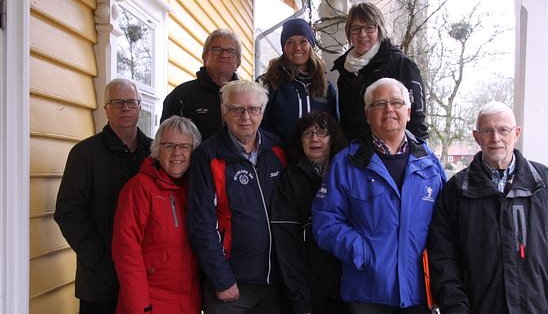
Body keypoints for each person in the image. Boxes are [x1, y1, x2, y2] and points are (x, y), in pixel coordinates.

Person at [427, 101, 548, 314]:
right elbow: (443, 258)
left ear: (516, 133)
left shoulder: (546, 183)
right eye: (487, 131)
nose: (495, 138)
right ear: (476, 136)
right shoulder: (456, 191)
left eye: (503, 130)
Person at [312, 78, 447, 313]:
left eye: (396, 102)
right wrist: (361, 252)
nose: (389, 110)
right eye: (380, 104)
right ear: (367, 113)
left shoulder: (430, 164)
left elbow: (446, 225)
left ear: (408, 110)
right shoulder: (347, 163)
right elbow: (326, 221)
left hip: (419, 290)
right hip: (367, 290)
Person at [186, 80, 287, 314]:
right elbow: (201, 224)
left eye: (253, 109)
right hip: (232, 284)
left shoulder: (277, 150)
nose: (245, 117)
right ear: (224, 111)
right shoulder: (208, 155)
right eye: (236, 109)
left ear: (262, 111)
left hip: (275, 281)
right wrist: (222, 278)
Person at [54, 78, 153, 314]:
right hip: (100, 280)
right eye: (117, 103)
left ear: (140, 107)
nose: (125, 108)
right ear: (105, 107)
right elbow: (68, 213)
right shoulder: (84, 154)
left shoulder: (153, 152)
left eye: (131, 102)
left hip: (146, 275)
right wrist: (101, 258)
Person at [112, 116, 202, 314]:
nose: (177, 153)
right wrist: (141, 308)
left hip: (189, 302)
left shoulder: (196, 190)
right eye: (169, 145)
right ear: (157, 149)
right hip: (151, 301)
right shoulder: (140, 188)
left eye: (185, 147)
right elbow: (127, 253)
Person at [270, 111, 349, 314]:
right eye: (308, 133)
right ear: (300, 140)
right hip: (310, 291)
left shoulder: (347, 175)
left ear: (333, 138)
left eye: (322, 132)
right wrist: (300, 300)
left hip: (348, 290)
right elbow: (287, 245)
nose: (315, 138)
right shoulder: (290, 180)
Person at [332, 2, 427, 141]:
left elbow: (416, 121)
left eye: (369, 28)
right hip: (356, 155)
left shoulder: (400, 65)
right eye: (356, 28)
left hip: (390, 154)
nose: (362, 34)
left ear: (379, 30)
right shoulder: (345, 71)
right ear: (349, 32)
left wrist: (416, 157)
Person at [259, 18, 338, 142]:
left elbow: (334, 128)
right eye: (290, 42)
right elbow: (258, 125)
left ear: (311, 45)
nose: (297, 47)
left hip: (316, 157)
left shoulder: (325, 86)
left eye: (303, 41)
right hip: (280, 157)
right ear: (283, 48)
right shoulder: (269, 82)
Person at [161, 28, 241, 139]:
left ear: (238, 61)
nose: (224, 54)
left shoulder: (248, 97)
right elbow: (166, 142)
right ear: (205, 57)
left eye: (231, 51)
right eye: (217, 49)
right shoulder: (181, 96)